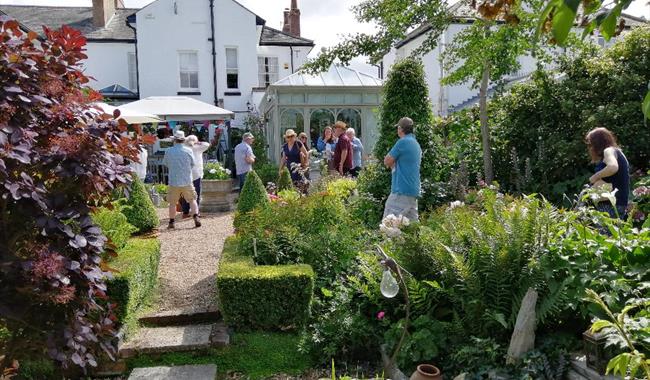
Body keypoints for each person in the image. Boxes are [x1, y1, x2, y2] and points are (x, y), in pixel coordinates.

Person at [383, 117, 422, 222]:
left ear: (400, 129)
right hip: (413, 189)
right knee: (412, 227)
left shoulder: (403, 142)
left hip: (401, 189)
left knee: (389, 223)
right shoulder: (415, 143)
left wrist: (392, 161)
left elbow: (387, 161)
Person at [585, 127, 630, 219]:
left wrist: (594, 177)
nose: (590, 148)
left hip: (610, 207)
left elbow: (613, 167)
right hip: (614, 205)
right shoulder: (615, 152)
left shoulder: (608, 151)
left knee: (604, 233)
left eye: (590, 144)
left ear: (597, 143)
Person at [162, 131, 201, 229]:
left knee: (172, 203)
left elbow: (166, 163)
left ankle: (171, 222)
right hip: (187, 179)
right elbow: (192, 164)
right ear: (183, 140)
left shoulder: (168, 151)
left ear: (174, 140)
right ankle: (196, 216)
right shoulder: (188, 150)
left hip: (174, 180)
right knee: (192, 200)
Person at [180, 135, 210, 217]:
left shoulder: (183, 148)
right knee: (196, 193)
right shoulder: (198, 148)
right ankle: (196, 212)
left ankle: (185, 212)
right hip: (196, 174)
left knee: (185, 193)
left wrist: (186, 140)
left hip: (185, 173)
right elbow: (207, 144)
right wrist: (197, 143)